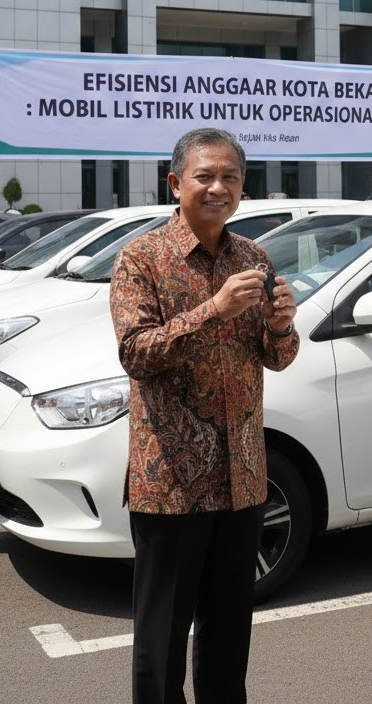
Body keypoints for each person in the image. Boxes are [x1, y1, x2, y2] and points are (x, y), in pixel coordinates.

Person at [109, 128, 299, 704]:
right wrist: (213, 310)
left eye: (231, 177)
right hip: (171, 481)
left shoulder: (254, 256)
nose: (218, 188)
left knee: (228, 635)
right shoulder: (141, 258)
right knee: (161, 640)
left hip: (242, 476)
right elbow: (135, 353)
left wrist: (282, 324)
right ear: (175, 183)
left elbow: (278, 359)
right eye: (205, 176)